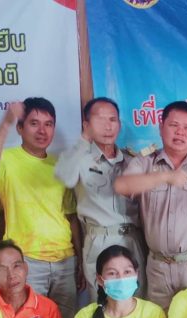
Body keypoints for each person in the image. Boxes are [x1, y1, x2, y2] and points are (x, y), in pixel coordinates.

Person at [114, 101, 187, 309]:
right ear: (161, 127)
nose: (180, 132)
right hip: (158, 266)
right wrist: (165, 177)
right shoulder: (145, 163)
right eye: (174, 125)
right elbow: (121, 186)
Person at [0, 98, 79, 318]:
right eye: (34, 123)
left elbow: (71, 215)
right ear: (20, 128)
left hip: (65, 260)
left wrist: (80, 258)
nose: (42, 130)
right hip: (26, 261)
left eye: (48, 124)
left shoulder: (60, 164)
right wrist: (5, 122)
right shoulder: (6, 159)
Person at [54, 97, 146, 302]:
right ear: (86, 125)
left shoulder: (132, 161)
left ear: (119, 124)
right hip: (99, 240)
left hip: (132, 239)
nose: (107, 126)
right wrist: (84, 140)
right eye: (100, 120)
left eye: (112, 119)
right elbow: (64, 177)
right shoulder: (79, 159)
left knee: (137, 302)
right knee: (103, 304)